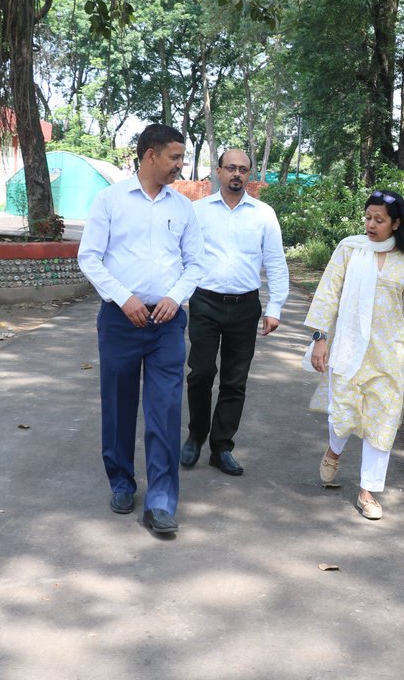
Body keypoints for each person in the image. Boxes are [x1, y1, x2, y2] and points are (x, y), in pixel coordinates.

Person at [77, 124, 205, 536]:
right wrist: (122, 297)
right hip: (121, 320)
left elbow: (196, 263)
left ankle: (162, 501)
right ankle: (121, 481)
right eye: (174, 157)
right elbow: (90, 258)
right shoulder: (110, 200)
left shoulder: (182, 207)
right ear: (150, 155)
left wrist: (176, 296)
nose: (179, 166)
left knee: (165, 411)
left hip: (167, 323)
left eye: (181, 158)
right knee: (118, 404)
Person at [305, 189, 404, 520]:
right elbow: (328, 293)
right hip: (349, 348)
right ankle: (334, 450)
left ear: (396, 223)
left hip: (390, 352)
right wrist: (320, 338)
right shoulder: (350, 248)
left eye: (379, 220)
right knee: (342, 412)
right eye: (368, 218)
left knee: (383, 421)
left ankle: (368, 491)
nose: (371, 225)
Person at [181, 149, 289, 476]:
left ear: (249, 174)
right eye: (231, 168)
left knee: (234, 381)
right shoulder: (196, 211)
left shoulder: (263, 214)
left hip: (245, 307)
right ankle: (196, 434)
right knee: (200, 373)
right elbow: (181, 256)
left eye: (243, 169)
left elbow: (276, 263)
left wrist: (275, 308)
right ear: (218, 171)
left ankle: (222, 447)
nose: (237, 174)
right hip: (205, 303)